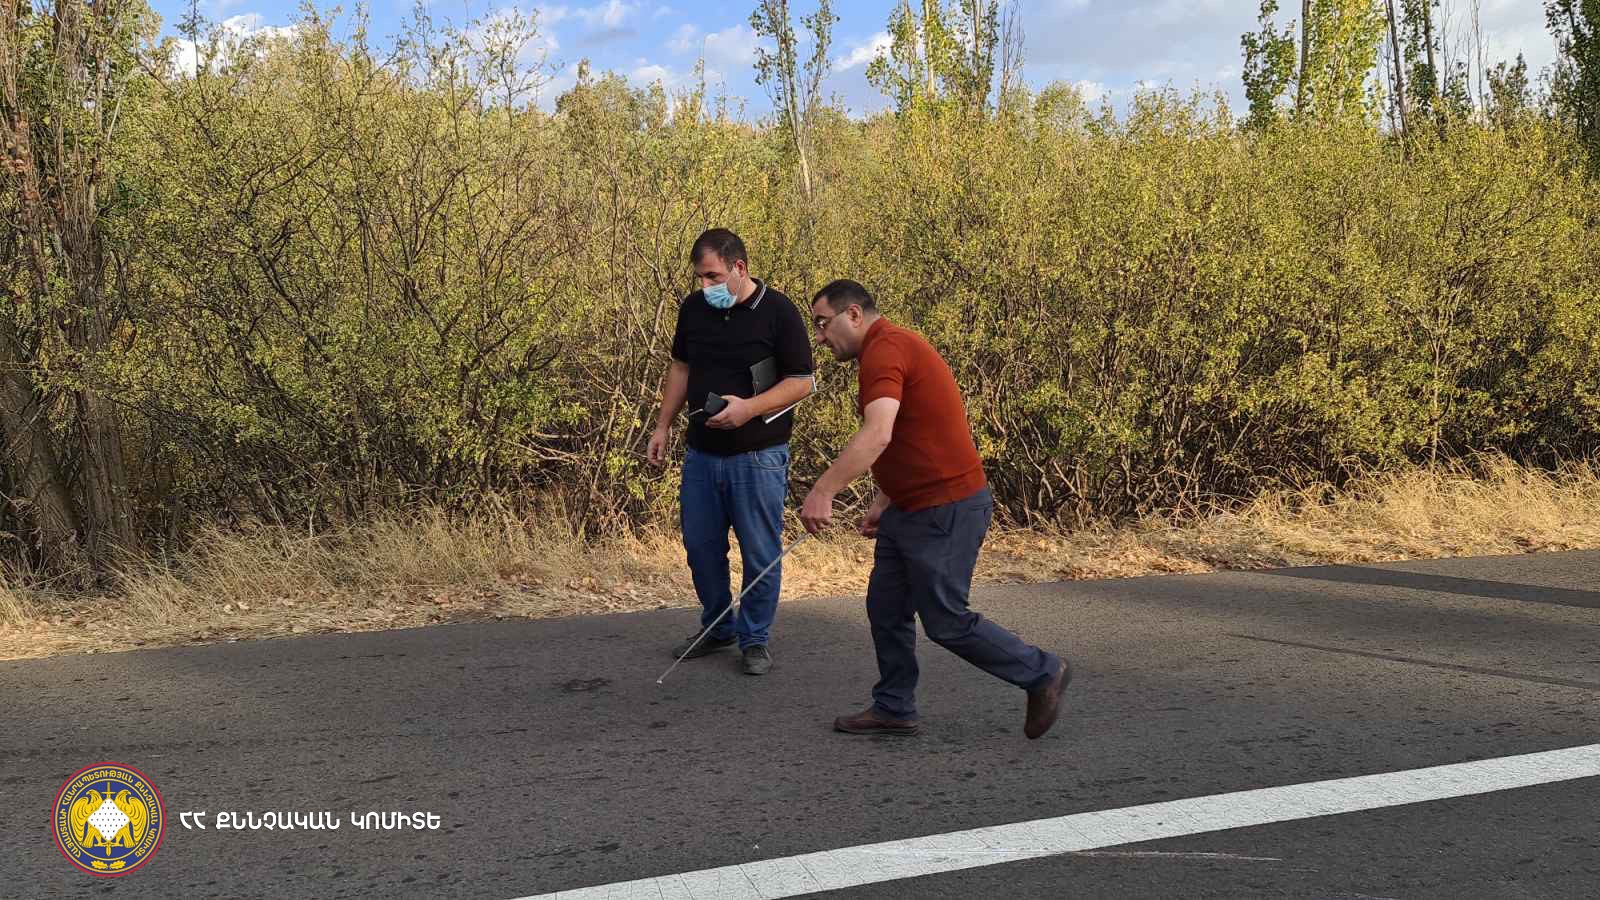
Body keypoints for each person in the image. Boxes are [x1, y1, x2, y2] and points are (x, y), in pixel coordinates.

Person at [799, 279, 1069, 737]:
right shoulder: (886, 349)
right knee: (886, 607)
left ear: (854, 315)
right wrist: (885, 497)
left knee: (946, 622)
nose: (820, 337)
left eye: (823, 324)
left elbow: (878, 433)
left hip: (947, 507)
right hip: (909, 508)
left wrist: (824, 490)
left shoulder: (886, 350)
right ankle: (894, 706)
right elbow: (914, 432)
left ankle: (1043, 672)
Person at [647, 229, 814, 675]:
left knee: (760, 552)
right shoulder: (693, 309)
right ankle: (719, 625)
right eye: (701, 278)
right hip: (701, 454)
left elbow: (802, 382)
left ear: (739, 267)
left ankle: (754, 639)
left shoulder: (779, 311)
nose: (706, 287)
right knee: (701, 548)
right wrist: (662, 426)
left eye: (713, 277)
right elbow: (680, 367)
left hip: (758, 456)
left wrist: (749, 410)